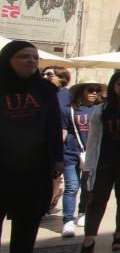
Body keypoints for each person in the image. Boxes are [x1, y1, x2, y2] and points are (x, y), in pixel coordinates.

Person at [0, 41, 64, 253]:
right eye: (23, 57)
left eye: (34, 58)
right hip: (3, 164)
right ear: (8, 59)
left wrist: (57, 159)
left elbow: (53, 124)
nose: (31, 61)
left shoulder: (45, 90)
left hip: (34, 165)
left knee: (28, 220)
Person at [77, 71, 120, 253]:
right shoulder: (101, 110)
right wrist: (88, 166)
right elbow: (93, 139)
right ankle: (89, 239)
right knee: (97, 200)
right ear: (113, 85)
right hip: (105, 161)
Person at [60, 78, 104, 237]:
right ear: (81, 91)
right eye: (90, 90)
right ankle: (67, 220)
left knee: (88, 187)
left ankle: (82, 212)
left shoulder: (100, 109)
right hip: (71, 153)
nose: (93, 93)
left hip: (91, 154)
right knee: (72, 186)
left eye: (96, 90)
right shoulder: (68, 110)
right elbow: (63, 132)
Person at [42, 66, 71, 212]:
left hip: (62, 141)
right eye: (44, 74)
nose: (45, 77)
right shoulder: (40, 93)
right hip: (43, 140)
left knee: (55, 176)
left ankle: (49, 200)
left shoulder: (68, 95)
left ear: (61, 78)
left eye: (49, 74)